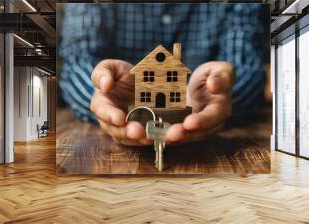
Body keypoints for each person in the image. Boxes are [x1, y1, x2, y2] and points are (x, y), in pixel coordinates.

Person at [59, 4, 265, 146]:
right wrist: (106, 95)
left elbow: (244, 64)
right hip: (122, 115)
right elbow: (78, 61)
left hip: (208, 128)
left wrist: (221, 95)